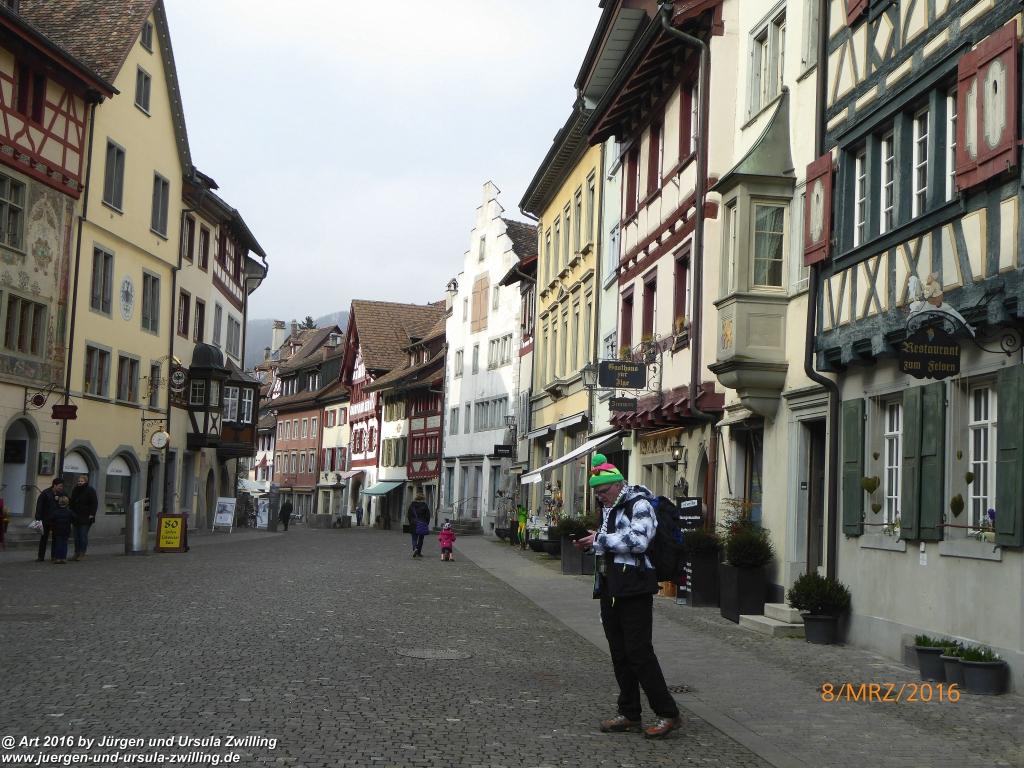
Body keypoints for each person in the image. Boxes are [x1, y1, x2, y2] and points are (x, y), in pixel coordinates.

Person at [574, 454, 681, 740]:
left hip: (635, 587)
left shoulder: (640, 504)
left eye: (603, 492)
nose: (600, 498)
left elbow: (638, 541)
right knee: (620, 654)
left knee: (639, 653)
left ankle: (668, 713)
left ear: (618, 484)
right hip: (611, 586)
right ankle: (629, 712)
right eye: (597, 493)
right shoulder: (609, 507)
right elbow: (611, 539)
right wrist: (591, 542)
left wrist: (599, 540)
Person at [69, 474, 98, 561]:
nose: (80, 483)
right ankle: (76, 552)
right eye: (79, 481)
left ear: (86, 482)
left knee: (82, 535)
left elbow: (94, 503)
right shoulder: (75, 490)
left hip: (86, 517)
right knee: (76, 536)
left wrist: (92, 514)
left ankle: (82, 552)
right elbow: (72, 502)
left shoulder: (90, 490)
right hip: (75, 516)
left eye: (82, 481)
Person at [35, 477, 63, 562]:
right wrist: (38, 517)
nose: (61, 488)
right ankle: (41, 556)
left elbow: (66, 502)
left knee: (55, 538)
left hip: (56, 519)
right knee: (44, 538)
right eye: (60, 486)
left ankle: (54, 556)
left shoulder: (61, 494)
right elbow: (39, 505)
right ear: (54, 485)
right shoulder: (45, 493)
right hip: (45, 518)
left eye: (62, 486)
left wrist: (59, 500)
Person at [49, 494, 73, 564]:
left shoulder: (55, 512)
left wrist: (51, 528)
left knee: (58, 544)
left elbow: (51, 519)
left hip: (57, 530)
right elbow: (74, 518)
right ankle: (63, 558)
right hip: (66, 530)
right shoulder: (69, 512)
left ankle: (58, 558)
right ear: (67, 503)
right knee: (64, 544)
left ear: (59, 502)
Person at [407, 491, 431, 558]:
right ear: (423, 498)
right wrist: (426, 523)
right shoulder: (425, 505)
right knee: (421, 539)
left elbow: (409, 515)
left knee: (414, 538)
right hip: (422, 523)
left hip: (413, 524)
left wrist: (411, 522)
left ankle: (415, 548)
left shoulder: (412, 505)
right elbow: (428, 516)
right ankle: (419, 552)